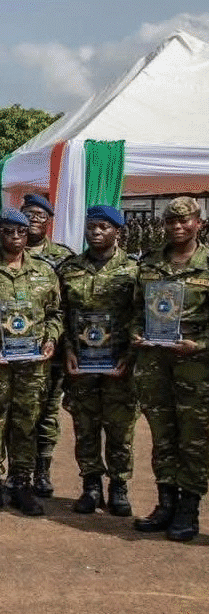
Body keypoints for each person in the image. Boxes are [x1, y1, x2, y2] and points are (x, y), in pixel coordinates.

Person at [0, 209, 62, 517]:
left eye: (20, 232)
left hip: (32, 367)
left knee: (26, 425)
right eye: (8, 232)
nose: (15, 237)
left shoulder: (46, 271)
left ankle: (22, 484)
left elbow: (57, 314)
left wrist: (51, 339)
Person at [131, 196, 209, 542]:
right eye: (171, 222)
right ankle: (165, 504)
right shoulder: (149, 265)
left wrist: (200, 346)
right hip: (155, 363)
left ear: (199, 224)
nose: (177, 227)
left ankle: (187, 510)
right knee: (163, 436)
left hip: (195, 366)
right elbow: (136, 309)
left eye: (185, 221)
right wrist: (136, 331)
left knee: (193, 440)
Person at [56, 204, 138, 516]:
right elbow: (58, 313)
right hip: (82, 364)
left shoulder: (133, 270)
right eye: (92, 227)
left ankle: (119, 487)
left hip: (119, 364)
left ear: (118, 231)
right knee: (85, 426)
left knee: (120, 428)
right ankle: (91, 486)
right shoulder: (69, 269)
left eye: (104, 227)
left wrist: (130, 357)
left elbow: (141, 316)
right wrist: (67, 350)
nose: (96, 232)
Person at [22, 194, 75, 498]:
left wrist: (60, 343)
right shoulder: (1, 253)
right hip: (12, 355)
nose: (33, 221)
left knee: (47, 414)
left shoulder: (63, 258)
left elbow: (68, 307)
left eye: (40, 216)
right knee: (17, 415)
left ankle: (42, 470)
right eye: (28, 214)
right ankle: (18, 472)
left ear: (49, 221)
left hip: (50, 352)